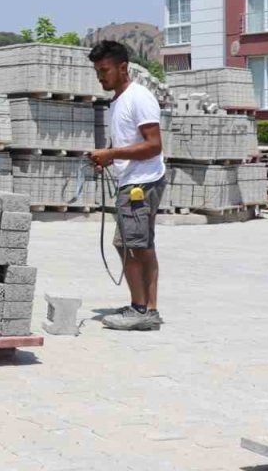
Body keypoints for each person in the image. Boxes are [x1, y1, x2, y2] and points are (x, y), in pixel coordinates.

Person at [88, 40, 166, 331]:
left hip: (141, 183)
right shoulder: (118, 101)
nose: (101, 77)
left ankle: (141, 310)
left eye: (105, 70)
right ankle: (145, 306)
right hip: (132, 180)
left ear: (123, 68)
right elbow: (129, 143)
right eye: (97, 71)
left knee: (131, 246)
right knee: (138, 246)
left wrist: (112, 153)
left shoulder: (139, 97)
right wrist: (109, 160)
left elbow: (154, 146)